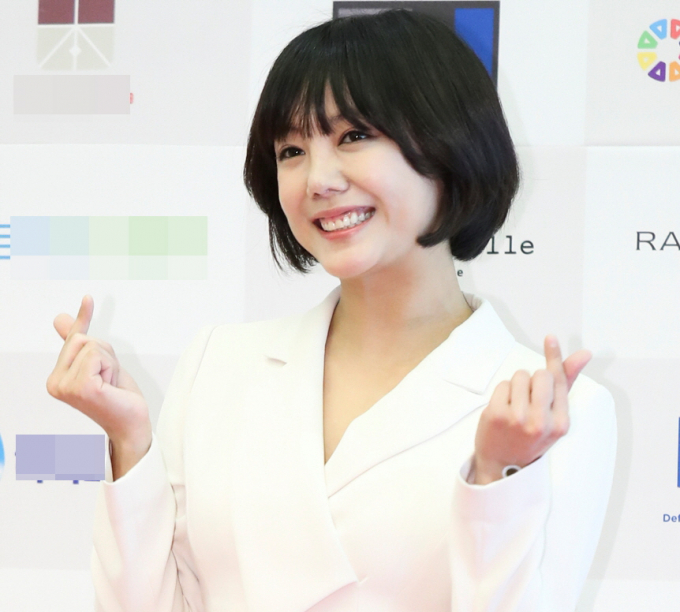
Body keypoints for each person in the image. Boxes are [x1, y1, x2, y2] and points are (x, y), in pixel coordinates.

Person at [47, 10, 617, 612]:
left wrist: (497, 477)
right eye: (292, 150)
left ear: (450, 144)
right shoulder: (217, 364)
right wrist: (129, 442)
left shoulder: (556, 412)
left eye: (353, 137)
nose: (317, 179)